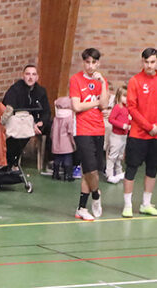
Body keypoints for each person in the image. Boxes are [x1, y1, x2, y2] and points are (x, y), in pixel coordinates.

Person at [69, 49, 109, 221]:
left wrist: (103, 84)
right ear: (83, 62)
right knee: (90, 169)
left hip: (98, 129)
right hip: (82, 129)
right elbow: (77, 106)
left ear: (98, 63)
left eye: (93, 62)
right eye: (87, 62)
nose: (90, 66)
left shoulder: (101, 81)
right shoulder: (76, 80)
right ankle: (96, 194)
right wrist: (96, 102)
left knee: (90, 170)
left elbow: (105, 105)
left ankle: (81, 208)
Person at [121, 48, 157, 218]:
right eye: (146, 62)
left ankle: (146, 204)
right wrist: (149, 126)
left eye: (153, 62)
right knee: (131, 168)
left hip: (155, 135)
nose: (149, 65)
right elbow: (132, 108)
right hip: (138, 134)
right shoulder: (135, 81)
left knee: (152, 169)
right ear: (142, 62)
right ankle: (127, 205)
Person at [2, 64, 51, 167]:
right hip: (19, 122)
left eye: (33, 74)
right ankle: (11, 161)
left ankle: (52, 160)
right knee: (19, 131)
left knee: (53, 126)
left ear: (37, 77)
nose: (30, 77)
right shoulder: (15, 89)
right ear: (23, 76)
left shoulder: (41, 91)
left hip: (37, 123)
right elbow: (9, 107)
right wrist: (30, 124)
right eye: (28, 74)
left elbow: (46, 111)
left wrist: (41, 122)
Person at [106, 85, 130, 184]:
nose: (126, 98)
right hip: (116, 136)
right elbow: (111, 119)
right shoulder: (117, 107)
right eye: (124, 96)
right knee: (113, 155)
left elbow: (128, 120)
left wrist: (130, 124)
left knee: (120, 156)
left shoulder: (126, 108)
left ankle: (119, 172)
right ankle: (109, 174)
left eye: (128, 96)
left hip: (123, 136)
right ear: (119, 96)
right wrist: (122, 125)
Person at [50, 96, 76, 181]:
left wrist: (52, 139)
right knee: (68, 159)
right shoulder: (69, 118)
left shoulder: (56, 118)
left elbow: (52, 130)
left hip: (56, 143)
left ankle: (55, 173)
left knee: (57, 159)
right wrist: (73, 142)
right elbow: (70, 131)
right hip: (66, 143)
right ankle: (67, 175)